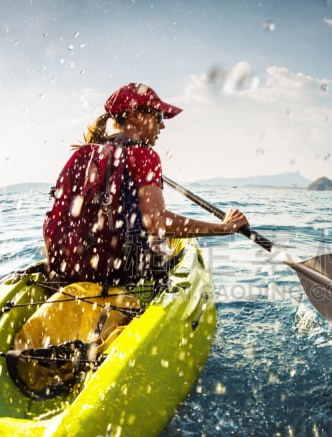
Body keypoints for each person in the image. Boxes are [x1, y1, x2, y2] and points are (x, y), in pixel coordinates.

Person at [44, 82, 248, 285]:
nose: (162, 125)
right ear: (134, 115)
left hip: (72, 268)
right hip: (120, 275)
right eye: (158, 116)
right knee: (165, 250)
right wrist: (225, 228)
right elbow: (157, 223)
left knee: (149, 241)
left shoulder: (90, 153)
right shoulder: (144, 155)